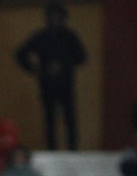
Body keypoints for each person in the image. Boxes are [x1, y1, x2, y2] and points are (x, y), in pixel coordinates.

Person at [15, 3, 87, 151]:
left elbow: (82, 56)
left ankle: (73, 150)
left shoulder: (70, 37)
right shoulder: (41, 36)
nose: (55, 19)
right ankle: (52, 150)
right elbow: (20, 53)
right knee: (50, 120)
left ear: (63, 17)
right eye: (52, 16)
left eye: (58, 16)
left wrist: (63, 64)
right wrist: (35, 69)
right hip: (47, 84)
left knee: (69, 119)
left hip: (66, 85)